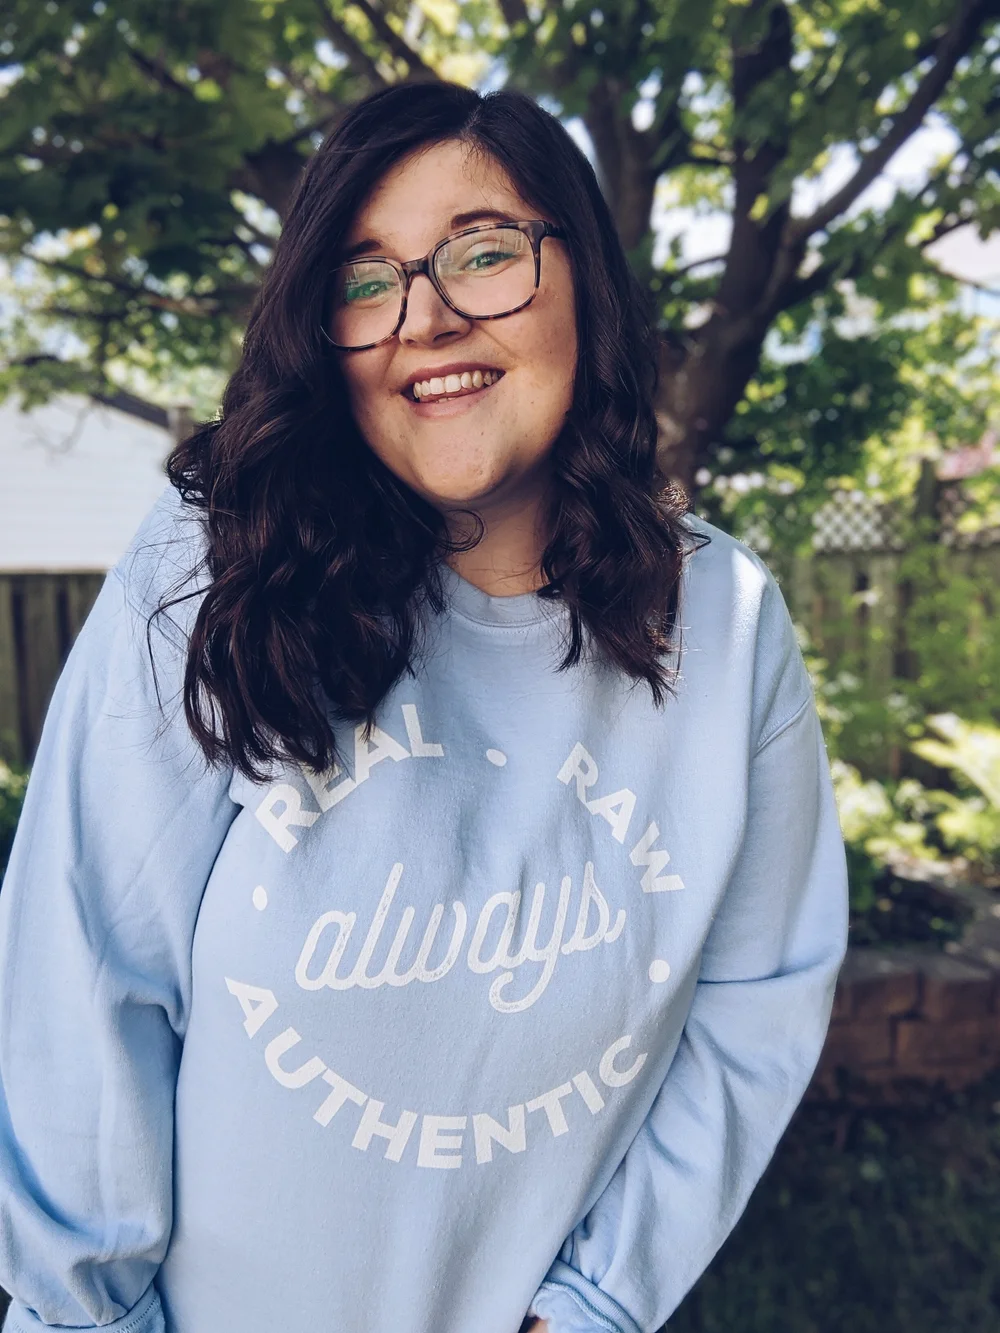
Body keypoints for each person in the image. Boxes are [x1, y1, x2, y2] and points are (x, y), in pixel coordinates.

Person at [0, 82, 848, 1333]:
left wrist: (596, 1302)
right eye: (365, 279)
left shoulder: (722, 622)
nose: (426, 317)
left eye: (484, 252)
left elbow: (755, 998)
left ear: (585, 280)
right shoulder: (216, 569)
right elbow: (82, 983)